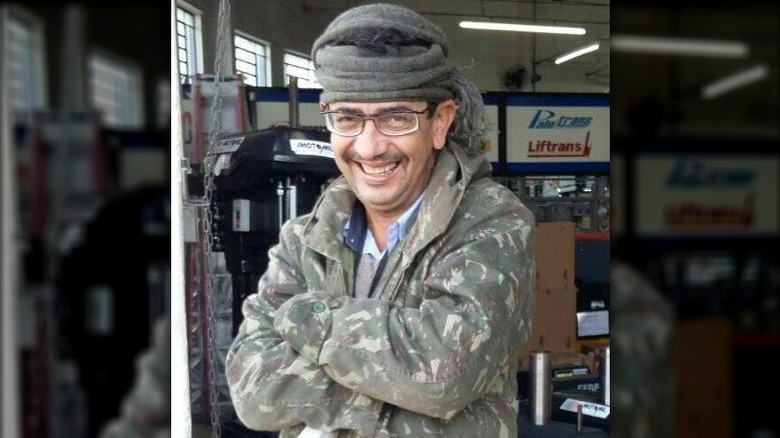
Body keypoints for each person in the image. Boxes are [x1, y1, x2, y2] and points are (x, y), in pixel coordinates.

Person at [226, 3, 535, 437]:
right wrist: (392, 381)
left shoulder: (491, 223)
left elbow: (443, 373)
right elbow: (252, 395)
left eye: (395, 118)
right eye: (348, 118)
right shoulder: (305, 237)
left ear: (440, 121)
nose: (369, 148)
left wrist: (305, 317)